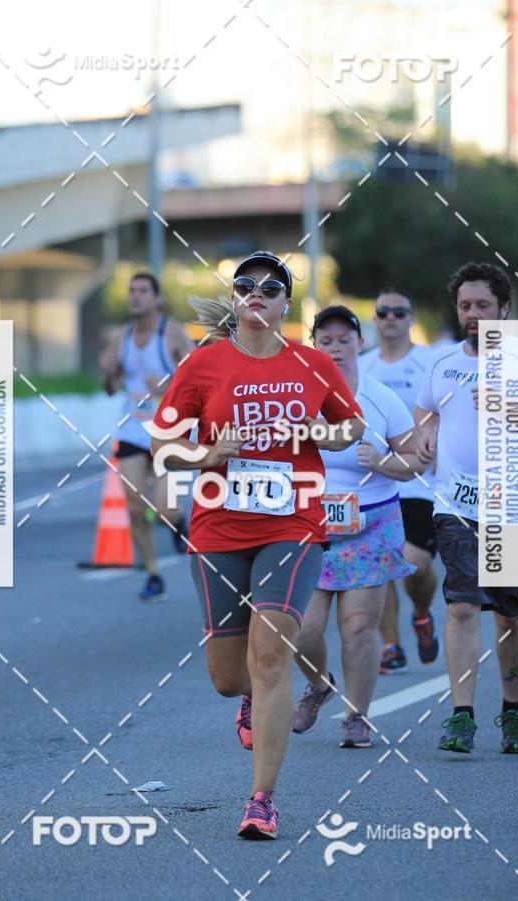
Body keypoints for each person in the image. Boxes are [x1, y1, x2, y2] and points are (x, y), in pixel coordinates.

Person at [149, 252, 364, 838]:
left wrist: (317, 431)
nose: (257, 294)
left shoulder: (314, 363)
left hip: (292, 525)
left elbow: (352, 427)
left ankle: (261, 800)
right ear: (237, 298)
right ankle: (251, 695)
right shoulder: (204, 364)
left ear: (286, 303)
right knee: (229, 675)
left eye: (271, 287)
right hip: (219, 528)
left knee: (270, 656)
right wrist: (207, 454)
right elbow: (165, 446)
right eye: (246, 286)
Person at [415, 262, 518, 754]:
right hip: (455, 503)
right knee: (463, 604)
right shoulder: (442, 361)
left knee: (511, 614)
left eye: (483, 306)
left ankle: (513, 708)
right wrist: (425, 431)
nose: (473, 314)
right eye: (465, 306)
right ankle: (461, 715)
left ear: (505, 309)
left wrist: (503, 404)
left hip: (509, 503)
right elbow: (425, 408)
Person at [291, 305, 426, 748]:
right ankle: (319, 685)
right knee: (300, 629)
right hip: (310, 525)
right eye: (325, 340)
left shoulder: (380, 398)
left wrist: (384, 460)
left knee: (358, 626)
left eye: (344, 339)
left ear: (360, 344)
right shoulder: (297, 396)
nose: (335, 348)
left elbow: (414, 464)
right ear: (314, 346)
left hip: (370, 524)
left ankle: (357, 716)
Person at [99, 271, 193, 599]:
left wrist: (169, 387)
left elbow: (200, 380)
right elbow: (110, 389)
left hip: (166, 431)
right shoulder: (120, 338)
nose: (135, 296)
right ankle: (153, 574)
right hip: (131, 430)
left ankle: (179, 522)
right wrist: (109, 373)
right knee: (135, 509)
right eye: (131, 290)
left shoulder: (173, 335)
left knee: (164, 512)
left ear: (157, 298)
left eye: (142, 290)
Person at [359, 289, 439, 673]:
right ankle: (390, 644)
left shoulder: (429, 362)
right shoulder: (364, 365)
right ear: (374, 319)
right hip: (373, 480)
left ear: (410, 318)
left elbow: (446, 408)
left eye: (399, 312)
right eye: (383, 312)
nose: (390, 317)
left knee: (415, 565)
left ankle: (422, 615)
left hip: (418, 481)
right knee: (381, 564)